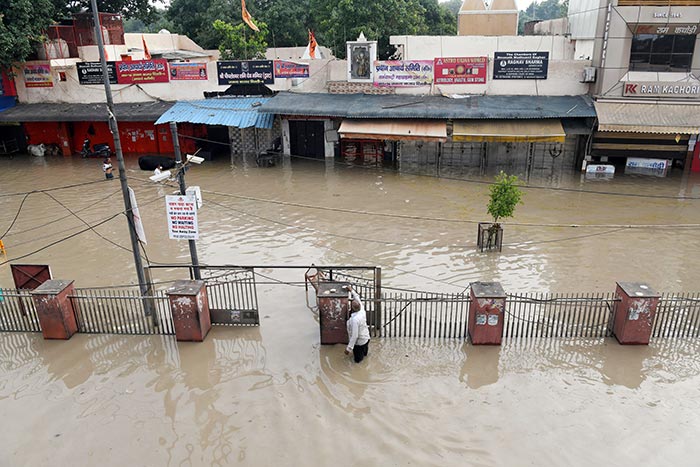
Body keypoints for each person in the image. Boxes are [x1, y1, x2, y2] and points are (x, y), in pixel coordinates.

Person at [344, 285, 370, 363]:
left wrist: (348, 349)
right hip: (366, 339)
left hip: (359, 343)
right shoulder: (362, 310)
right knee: (365, 357)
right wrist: (351, 290)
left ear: (352, 308)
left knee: (358, 363)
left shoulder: (354, 320)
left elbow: (355, 335)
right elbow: (357, 298)